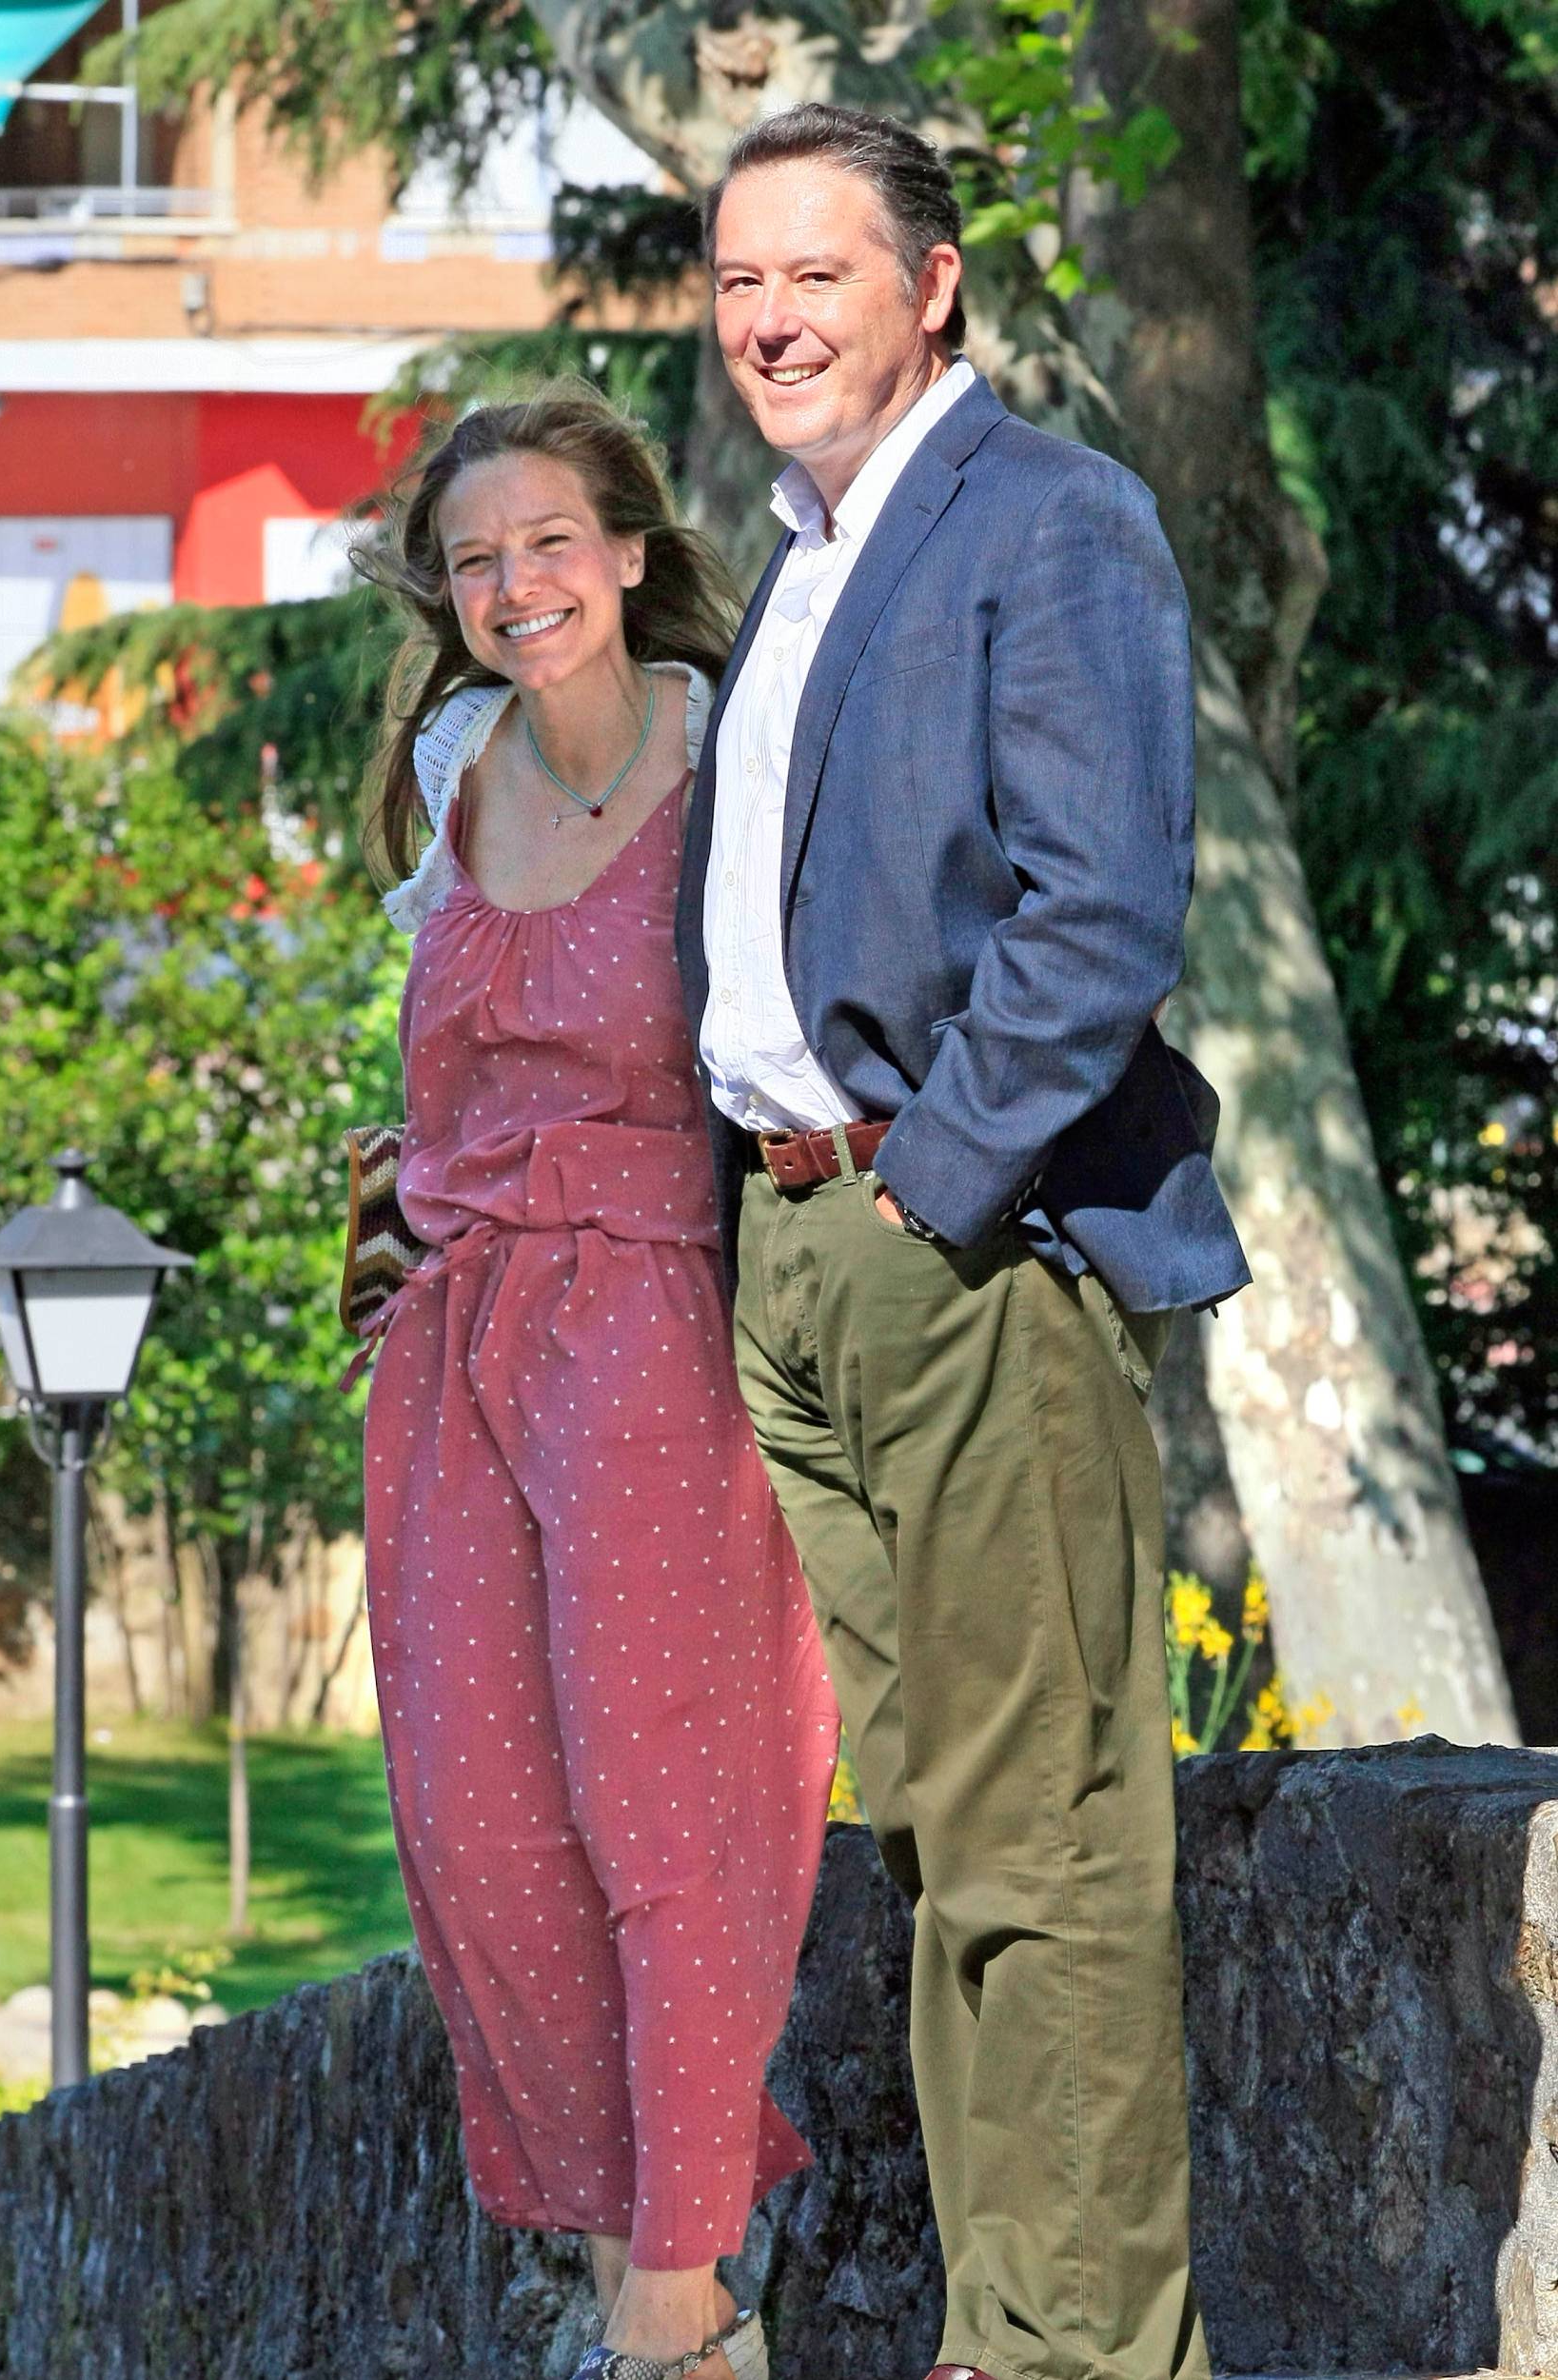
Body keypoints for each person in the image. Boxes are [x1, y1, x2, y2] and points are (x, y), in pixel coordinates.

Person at [675, 105, 1253, 2380]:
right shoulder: (803, 552)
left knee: (1051, 1847)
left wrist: (933, 1182)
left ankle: (1090, 2355)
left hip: (958, 1243)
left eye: (814, 272)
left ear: (933, 285)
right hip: (796, 1261)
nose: (769, 318)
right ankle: (1008, 2331)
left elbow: (1102, 904)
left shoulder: (1052, 519)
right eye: (735, 282)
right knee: (931, 1830)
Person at [356, 389, 838, 2380]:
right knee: (475, 1820)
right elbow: (409, 1081)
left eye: (549, 540)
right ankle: (622, 2223)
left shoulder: (735, 758)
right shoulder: (453, 767)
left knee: (675, 1798)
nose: (514, 584)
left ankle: (681, 2272)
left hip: (653, 1310)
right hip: (459, 1333)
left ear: (631, 551)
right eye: (477, 559)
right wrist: (387, 1268)